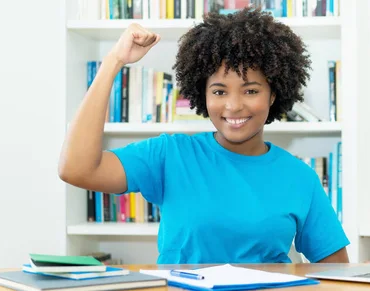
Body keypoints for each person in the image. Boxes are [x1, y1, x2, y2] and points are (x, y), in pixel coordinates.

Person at [58, 7, 349, 264]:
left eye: (251, 90)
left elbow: (337, 271)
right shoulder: (169, 155)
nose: (233, 105)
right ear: (202, 93)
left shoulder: (299, 177)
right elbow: (77, 169)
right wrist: (113, 61)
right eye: (219, 91)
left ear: (274, 94)